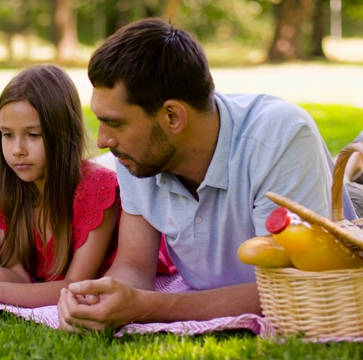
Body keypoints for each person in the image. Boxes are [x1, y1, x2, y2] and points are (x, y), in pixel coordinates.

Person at [57, 17, 350, 330]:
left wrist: (146, 306)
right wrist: (99, 299)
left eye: (115, 123)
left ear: (172, 116)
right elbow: (133, 264)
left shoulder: (281, 137)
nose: (103, 141)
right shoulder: (136, 155)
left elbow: (287, 287)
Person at [0, 64, 137, 308]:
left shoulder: (97, 189)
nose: (17, 151)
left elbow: (75, 286)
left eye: (33, 135)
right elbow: (19, 279)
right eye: (7, 135)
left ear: (62, 134)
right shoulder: (4, 186)